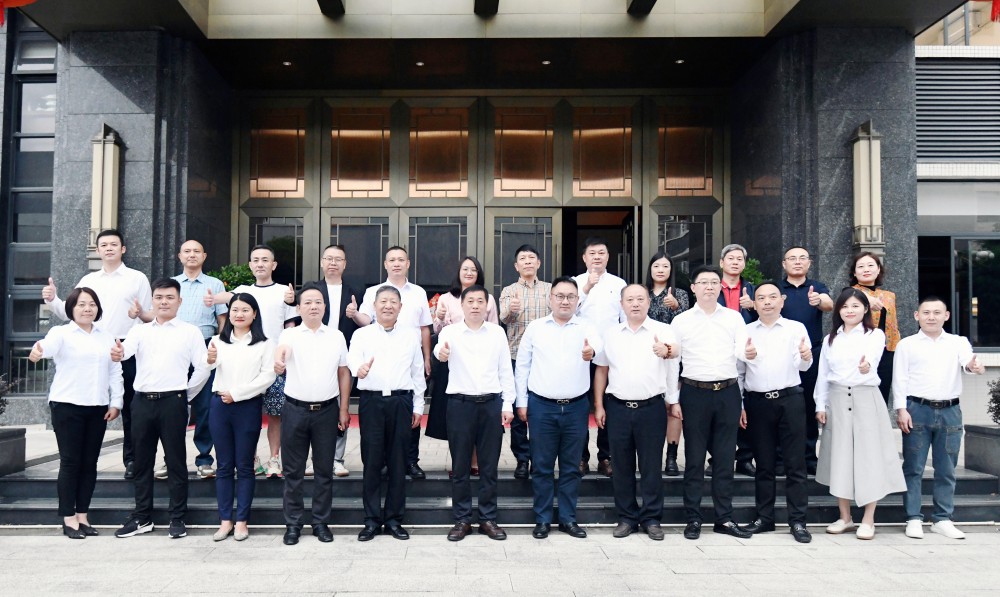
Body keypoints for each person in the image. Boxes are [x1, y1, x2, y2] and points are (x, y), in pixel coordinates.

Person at [42, 229, 151, 481]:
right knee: (91, 404)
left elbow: (148, 315)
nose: (109, 248)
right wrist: (53, 299)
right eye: (104, 245)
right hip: (94, 347)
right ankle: (80, 460)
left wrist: (139, 315)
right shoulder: (89, 280)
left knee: (132, 408)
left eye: (114, 244)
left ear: (123, 249)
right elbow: (70, 311)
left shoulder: (137, 278)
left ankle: (132, 460)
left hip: (127, 347)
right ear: (98, 250)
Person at [111, 278, 210, 540]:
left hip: (173, 402)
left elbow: (203, 366)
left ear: (179, 301)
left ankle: (177, 517)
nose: (163, 302)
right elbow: (124, 352)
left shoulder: (190, 332)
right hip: (142, 402)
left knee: (176, 461)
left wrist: (185, 394)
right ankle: (142, 517)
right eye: (158, 297)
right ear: (152, 301)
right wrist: (118, 352)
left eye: (169, 297)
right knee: (142, 462)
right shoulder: (140, 331)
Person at [29, 288, 123, 539]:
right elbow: (46, 347)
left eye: (92, 304)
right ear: (71, 308)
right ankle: (68, 518)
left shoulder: (107, 336)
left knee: (90, 463)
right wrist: (38, 350)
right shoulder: (61, 333)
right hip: (67, 406)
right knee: (71, 462)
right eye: (81, 304)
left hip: (97, 407)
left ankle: (83, 515)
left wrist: (116, 402)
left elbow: (115, 371)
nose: (87, 309)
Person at [669, 265, 753, 540]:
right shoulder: (681, 321)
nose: (709, 286)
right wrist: (673, 399)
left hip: (727, 392)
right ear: (693, 288)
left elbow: (742, 356)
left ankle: (724, 518)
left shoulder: (734, 318)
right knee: (694, 459)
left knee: (725, 459)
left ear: (720, 287)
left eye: (714, 282)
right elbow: (673, 362)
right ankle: (693, 518)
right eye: (703, 282)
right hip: (694, 393)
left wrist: (750, 356)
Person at [815, 287, 906, 541]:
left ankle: (868, 518)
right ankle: (844, 516)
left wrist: (866, 368)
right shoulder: (830, 339)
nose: (850, 311)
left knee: (869, 456)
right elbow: (823, 374)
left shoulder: (875, 335)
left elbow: (872, 361)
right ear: (838, 310)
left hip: (866, 397)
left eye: (855, 306)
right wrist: (820, 405)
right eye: (845, 306)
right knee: (839, 456)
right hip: (836, 398)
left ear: (866, 309)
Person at [515, 276, 601, 540]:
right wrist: (522, 401)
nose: (565, 301)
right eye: (560, 296)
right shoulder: (536, 328)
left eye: (570, 297)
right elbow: (523, 366)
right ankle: (542, 519)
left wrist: (591, 352)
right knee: (541, 466)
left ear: (577, 300)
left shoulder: (586, 327)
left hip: (576, 407)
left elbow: (598, 347)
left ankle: (567, 518)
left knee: (571, 466)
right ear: (550, 298)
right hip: (542, 406)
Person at [593, 284, 679, 541]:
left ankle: (651, 518)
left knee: (651, 465)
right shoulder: (611, 334)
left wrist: (667, 352)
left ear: (648, 302)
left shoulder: (663, 330)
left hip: (651, 408)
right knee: (622, 466)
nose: (635, 304)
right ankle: (627, 517)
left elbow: (674, 357)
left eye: (640, 299)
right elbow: (602, 370)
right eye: (630, 299)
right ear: (622, 304)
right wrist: (599, 405)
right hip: (618, 408)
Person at [894, 296, 984, 540]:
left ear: (946, 316)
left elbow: (969, 363)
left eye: (936, 312)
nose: (931, 317)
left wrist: (975, 366)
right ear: (917, 316)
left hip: (950, 411)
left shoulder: (958, 342)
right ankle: (913, 518)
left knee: (946, 469)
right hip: (916, 409)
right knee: (913, 467)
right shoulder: (907, 344)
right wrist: (901, 409)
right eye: (926, 312)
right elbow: (899, 379)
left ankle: (942, 518)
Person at [434, 285, 515, 542]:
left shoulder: (497, 333)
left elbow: (505, 370)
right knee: (460, 466)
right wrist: (441, 353)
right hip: (460, 405)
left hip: (491, 405)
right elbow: (439, 352)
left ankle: (488, 518)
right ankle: (462, 520)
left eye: (481, 301)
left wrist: (507, 404)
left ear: (488, 305)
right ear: (462, 305)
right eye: (470, 301)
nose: (476, 305)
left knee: (489, 466)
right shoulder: (450, 332)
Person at [273, 284, 352, 546]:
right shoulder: (290, 334)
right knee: (293, 471)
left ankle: (320, 522)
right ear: (298, 308)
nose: (313, 306)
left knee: (324, 471)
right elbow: (281, 352)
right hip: (295, 410)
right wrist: (279, 362)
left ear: (325, 307)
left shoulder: (336, 336)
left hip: (327, 411)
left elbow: (343, 372)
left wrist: (344, 409)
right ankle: (293, 524)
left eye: (318, 302)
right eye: (307, 302)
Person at [348, 285, 426, 541]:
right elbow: (352, 360)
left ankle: (394, 519)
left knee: (397, 461)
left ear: (400, 308)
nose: (388, 306)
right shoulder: (362, 335)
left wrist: (418, 406)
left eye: (393, 301)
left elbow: (417, 373)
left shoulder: (410, 336)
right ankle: (371, 520)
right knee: (371, 461)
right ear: (374, 306)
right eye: (383, 301)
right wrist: (359, 369)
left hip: (401, 402)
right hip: (371, 402)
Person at [212, 245, 297, 478]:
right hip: (246, 360)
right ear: (250, 265)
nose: (260, 264)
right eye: (256, 260)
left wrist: (285, 355)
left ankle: (274, 458)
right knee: (248, 413)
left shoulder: (284, 291)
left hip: (275, 362)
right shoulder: (242, 290)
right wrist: (212, 298)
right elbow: (226, 298)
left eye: (265, 260)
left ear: (274, 265)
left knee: (275, 414)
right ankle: (252, 457)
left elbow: (290, 325)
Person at [740, 281, 813, 544]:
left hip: (790, 400)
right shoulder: (746, 331)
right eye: (761, 298)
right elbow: (739, 372)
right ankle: (764, 518)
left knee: (795, 464)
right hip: (758, 402)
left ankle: (798, 521)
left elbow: (804, 367)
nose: (767, 302)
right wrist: (740, 404)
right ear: (754, 303)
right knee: (764, 464)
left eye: (772, 297)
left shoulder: (796, 328)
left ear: (782, 300)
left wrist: (805, 356)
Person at [283, 244, 361, 478]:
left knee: (339, 406)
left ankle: (337, 459)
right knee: (315, 405)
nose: (333, 263)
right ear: (321, 262)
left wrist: (355, 314)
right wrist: (289, 301)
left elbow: (364, 320)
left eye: (338, 259)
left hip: (342, 352)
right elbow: (297, 314)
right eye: (329, 258)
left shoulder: (356, 290)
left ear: (345, 264)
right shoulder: (311, 290)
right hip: (313, 354)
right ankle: (313, 460)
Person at [357, 246, 433, 479]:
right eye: (392, 260)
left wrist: (427, 357)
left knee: (410, 410)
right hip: (381, 359)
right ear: (385, 264)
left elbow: (424, 327)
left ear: (408, 264)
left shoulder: (418, 292)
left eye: (401, 260)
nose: (397, 263)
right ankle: (381, 463)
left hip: (409, 357)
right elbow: (365, 321)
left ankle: (411, 461)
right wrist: (353, 314)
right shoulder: (372, 292)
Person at [205, 293, 275, 542]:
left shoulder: (265, 344)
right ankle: (225, 520)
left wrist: (237, 393)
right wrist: (208, 360)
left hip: (247, 406)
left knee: (244, 465)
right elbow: (208, 367)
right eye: (235, 310)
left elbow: (267, 376)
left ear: (254, 314)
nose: (239, 314)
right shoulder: (217, 341)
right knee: (224, 465)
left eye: (245, 310)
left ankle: (242, 521)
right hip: (220, 406)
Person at [426, 256, 498, 476]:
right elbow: (437, 331)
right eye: (465, 269)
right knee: (456, 415)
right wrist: (438, 317)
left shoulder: (488, 298)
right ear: (458, 272)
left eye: (473, 269)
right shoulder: (446, 298)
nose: (469, 273)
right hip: (451, 360)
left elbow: (494, 328)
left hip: (480, 360)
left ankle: (475, 461)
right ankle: (459, 462)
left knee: (478, 411)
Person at [166, 239, 227, 480]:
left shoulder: (215, 284)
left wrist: (220, 346)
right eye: (187, 251)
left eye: (196, 251)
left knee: (204, 406)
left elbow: (222, 320)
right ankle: (171, 460)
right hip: (175, 349)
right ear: (180, 256)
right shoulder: (171, 285)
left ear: (204, 256)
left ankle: (204, 459)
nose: (192, 255)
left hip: (205, 347)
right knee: (173, 407)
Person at [778, 246, 834, 474]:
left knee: (809, 404)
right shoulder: (777, 289)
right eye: (792, 258)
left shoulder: (817, 287)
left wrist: (818, 300)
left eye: (802, 258)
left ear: (809, 263)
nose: (797, 262)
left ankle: (809, 457)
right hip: (782, 355)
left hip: (813, 353)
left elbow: (829, 305)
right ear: (784, 264)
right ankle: (780, 458)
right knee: (781, 405)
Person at [574, 236, 626, 477]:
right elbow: (568, 312)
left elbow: (624, 318)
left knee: (609, 406)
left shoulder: (619, 283)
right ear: (584, 257)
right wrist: (586, 288)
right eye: (592, 253)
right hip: (581, 355)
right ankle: (581, 457)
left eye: (601, 253)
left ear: (608, 257)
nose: (597, 257)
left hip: (610, 355)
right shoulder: (575, 282)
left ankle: (606, 456)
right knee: (580, 407)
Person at [500, 244, 552, 480]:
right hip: (515, 356)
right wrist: (512, 310)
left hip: (544, 359)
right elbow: (504, 319)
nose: (528, 261)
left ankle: (539, 458)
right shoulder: (509, 291)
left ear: (538, 263)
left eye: (532, 258)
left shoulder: (549, 289)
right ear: (516, 265)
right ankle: (522, 458)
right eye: (523, 258)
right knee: (518, 410)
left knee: (541, 410)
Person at [643, 251, 689, 476]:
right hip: (646, 356)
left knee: (673, 405)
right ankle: (650, 455)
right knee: (652, 407)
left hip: (673, 356)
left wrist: (676, 307)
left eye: (665, 266)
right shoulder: (643, 293)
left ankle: (671, 456)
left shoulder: (680, 293)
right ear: (650, 269)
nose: (660, 270)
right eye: (656, 266)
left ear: (671, 270)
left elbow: (687, 322)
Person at [714, 243, 757, 478]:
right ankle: (717, 458)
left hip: (745, 352)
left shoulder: (752, 290)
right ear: (722, 262)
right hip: (718, 352)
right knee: (719, 408)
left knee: (745, 406)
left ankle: (745, 458)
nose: (735, 262)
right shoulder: (711, 287)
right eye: (730, 258)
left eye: (739, 259)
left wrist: (754, 307)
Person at [851, 251, 900, 403]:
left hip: (887, 350)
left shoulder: (889, 295)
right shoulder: (850, 293)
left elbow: (893, 323)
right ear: (854, 272)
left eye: (871, 265)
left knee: (882, 393)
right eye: (861, 266)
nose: (866, 269)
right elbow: (850, 294)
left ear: (878, 269)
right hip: (861, 349)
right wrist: (866, 299)